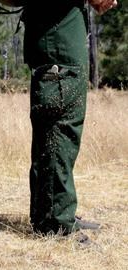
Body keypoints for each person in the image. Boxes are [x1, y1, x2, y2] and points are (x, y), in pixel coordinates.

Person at [22, 0, 117, 237]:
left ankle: (53, 212)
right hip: (56, 35)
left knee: (62, 129)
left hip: (60, 31)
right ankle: (55, 222)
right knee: (59, 127)